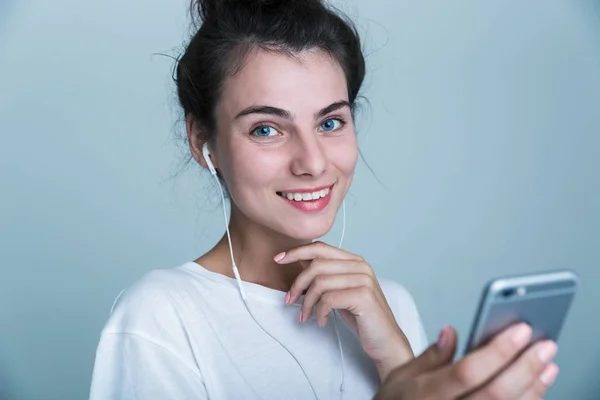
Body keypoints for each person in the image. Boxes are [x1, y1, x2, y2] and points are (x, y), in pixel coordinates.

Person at [89, 0, 559, 398]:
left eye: (330, 122)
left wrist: (397, 361)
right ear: (202, 141)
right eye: (267, 129)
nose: (312, 162)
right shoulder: (161, 318)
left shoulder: (389, 306)